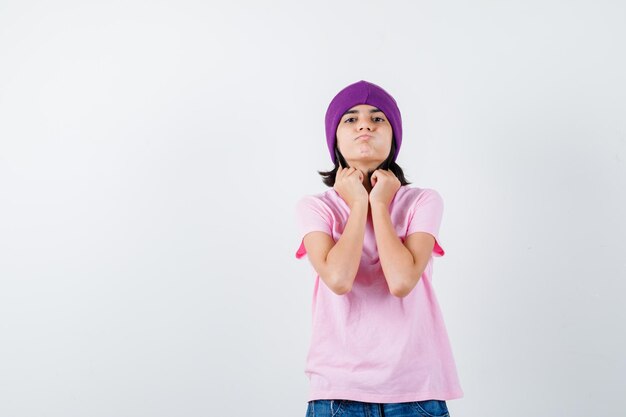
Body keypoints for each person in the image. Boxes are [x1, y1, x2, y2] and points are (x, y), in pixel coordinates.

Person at [294, 80, 464, 417]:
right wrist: (359, 205)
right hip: (338, 392)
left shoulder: (422, 202)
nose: (365, 126)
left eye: (377, 118)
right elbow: (339, 279)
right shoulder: (316, 208)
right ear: (336, 138)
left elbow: (402, 281)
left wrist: (381, 206)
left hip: (417, 390)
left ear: (394, 137)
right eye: (351, 119)